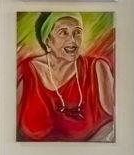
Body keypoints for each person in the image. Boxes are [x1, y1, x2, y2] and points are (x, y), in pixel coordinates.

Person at [18, 13, 115, 142]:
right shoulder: (26, 71)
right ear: (47, 40)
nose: (73, 40)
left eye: (77, 32)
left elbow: (118, 123)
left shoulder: (97, 68)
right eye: (63, 33)